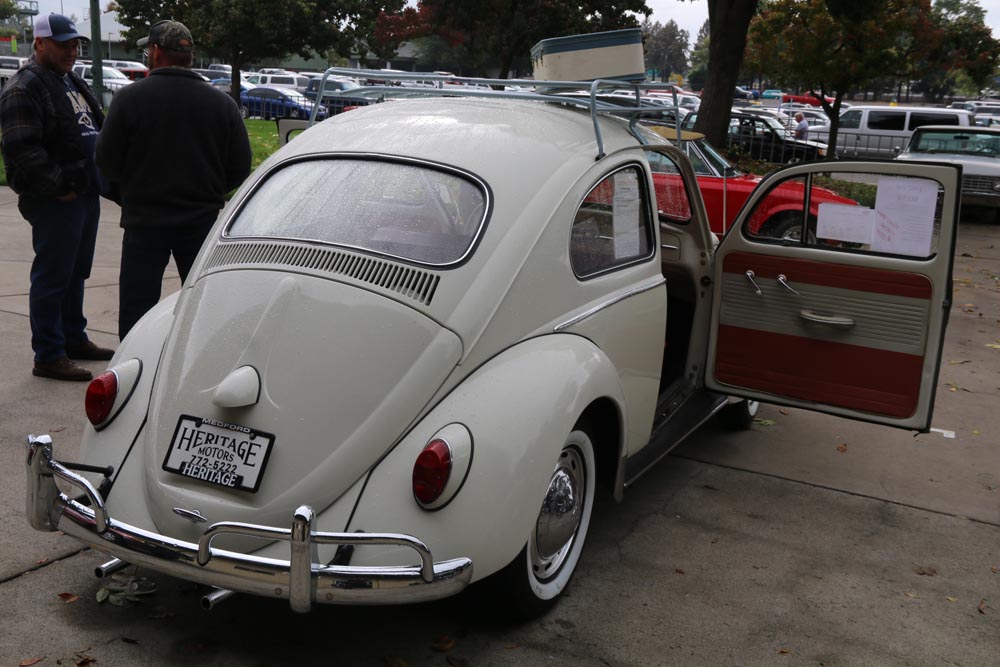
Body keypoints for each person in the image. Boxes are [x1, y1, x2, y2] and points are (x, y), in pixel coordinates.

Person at [96, 19, 251, 339]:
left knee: (137, 311)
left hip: (144, 223)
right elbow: (240, 167)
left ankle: (132, 374)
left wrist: (129, 195)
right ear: (189, 56)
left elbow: (106, 161)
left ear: (154, 51)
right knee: (201, 308)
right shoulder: (222, 105)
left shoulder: (129, 100)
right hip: (200, 221)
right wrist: (210, 193)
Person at [0, 13, 115, 381]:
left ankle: (73, 338)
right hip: (56, 199)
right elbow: (22, 150)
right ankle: (48, 355)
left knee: (74, 273)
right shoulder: (24, 87)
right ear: (39, 43)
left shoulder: (68, 80)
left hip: (82, 192)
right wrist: (60, 187)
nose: (71, 51)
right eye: (63, 44)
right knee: (53, 275)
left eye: (75, 44)